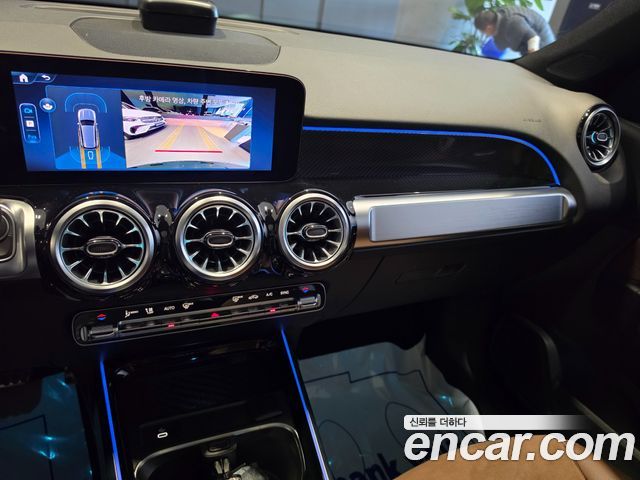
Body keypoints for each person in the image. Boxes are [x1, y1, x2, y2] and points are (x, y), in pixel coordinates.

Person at [474, 6, 556, 56]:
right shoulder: (500, 18)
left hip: (544, 47)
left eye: (483, 32)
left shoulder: (512, 22)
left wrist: (533, 61)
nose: (485, 35)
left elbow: (533, 38)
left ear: (488, 28)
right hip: (529, 45)